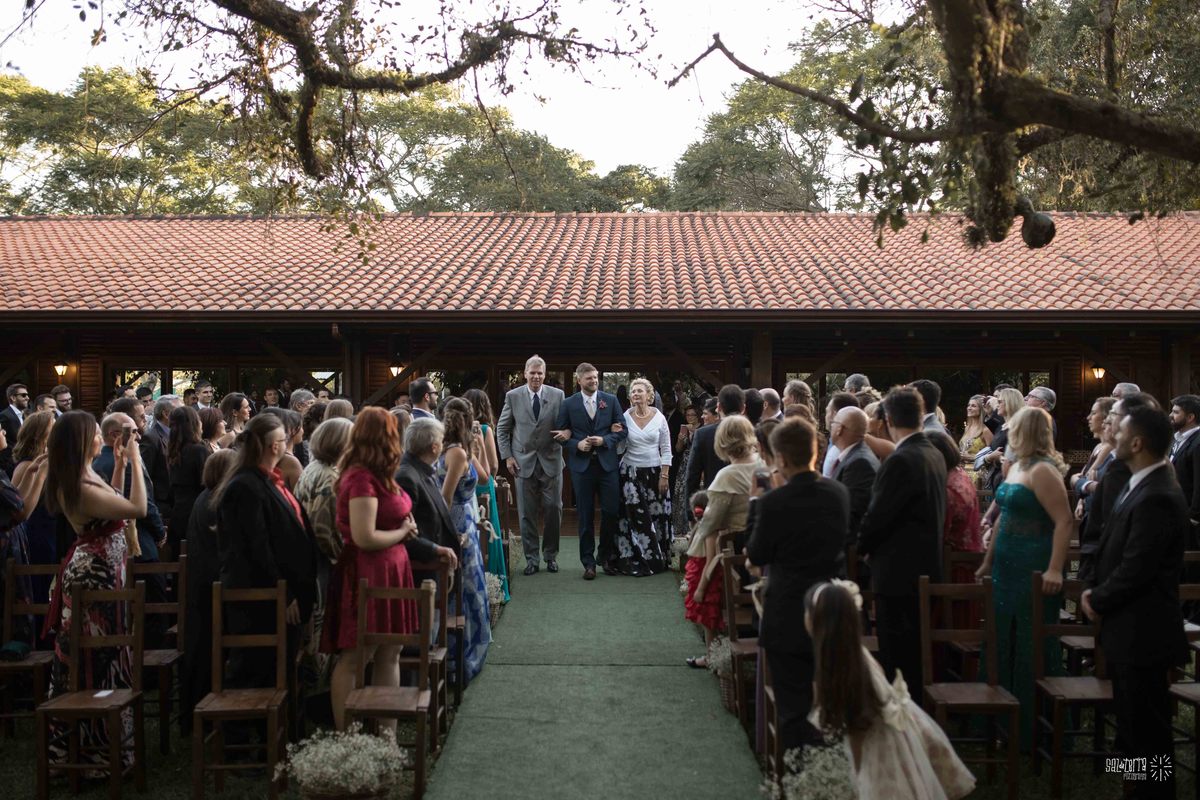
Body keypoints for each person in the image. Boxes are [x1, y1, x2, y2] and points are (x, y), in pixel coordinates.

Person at [1082, 405, 1188, 800]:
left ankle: (1154, 792)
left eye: (1121, 430)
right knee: (1130, 727)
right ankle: (1133, 786)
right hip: (1127, 630)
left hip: (1144, 631)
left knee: (1148, 732)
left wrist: (1097, 596)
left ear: (1138, 442)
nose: (1114, 434)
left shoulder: (1158, 493)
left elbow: (1138, 566)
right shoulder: (1139, 481)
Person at [805, 581, 976, 800]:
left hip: (879, 757)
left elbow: (857, 732)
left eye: (806, 611)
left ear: (818, 620)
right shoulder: (852, 655)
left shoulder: (845, 668)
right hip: (881, 742)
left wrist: (857, 781)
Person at [42, 410, 146, 770]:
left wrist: (119, 466)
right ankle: (91, 750)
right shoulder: (78, 486)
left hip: (106, 573)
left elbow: (114, 499)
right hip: (93, 576)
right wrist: (135, 460)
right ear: (82, 442)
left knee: (110, 654)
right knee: (95, 660)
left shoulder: (86, 475)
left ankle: (107, 746)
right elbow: (137, 508)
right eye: (96, 434)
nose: (104, 437)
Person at [746, 418, 848, 750]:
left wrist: (755, 504)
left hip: (788, 611)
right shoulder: (839, 493)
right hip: (832, 610)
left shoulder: (773, 503)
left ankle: (798, 778)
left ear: (782, 459)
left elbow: (758, 553)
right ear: (815, 452)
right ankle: (829, 764)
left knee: (792, 707)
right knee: (831, 697)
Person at [975, 406, 1070, 749]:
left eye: (1013, 427)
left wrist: (1056, 568)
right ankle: (997, 719)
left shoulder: (1044, 471)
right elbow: (1004, 518)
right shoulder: (1017, 466)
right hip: (1005, 563)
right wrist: (988, 562)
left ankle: (1031, 724)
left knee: (1029, 638)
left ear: (1025, 431)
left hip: (1034, 561)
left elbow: (1063, 521)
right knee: (1002, 635)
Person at [323, 408, 422, 731]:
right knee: (357, 655)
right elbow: (365, 537)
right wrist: (403, 533)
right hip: (366, 575)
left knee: (390, 651)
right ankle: (347, 735)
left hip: (392, 572)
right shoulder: (360, 478)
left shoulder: (381, 474)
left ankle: (386, 735)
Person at [213, 414, 318, 702]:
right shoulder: (245, 486)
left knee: (279, 668)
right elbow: (256, 548)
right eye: (284, 440)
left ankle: (277, 735)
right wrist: (282, 594)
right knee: (257, 672)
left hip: (286, 590)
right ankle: (251, 738)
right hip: (263, 599)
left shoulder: (270, 480)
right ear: (274, 446)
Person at [857, 387, 946, 687]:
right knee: (914, 655)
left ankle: (903, 724)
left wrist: (861, 549)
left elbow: (878, 517)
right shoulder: (933, 452)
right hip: (925, 567)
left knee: (898, 659)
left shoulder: (900, 460)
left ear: (889, 418)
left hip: (898, 573)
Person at [684, 416, 761, 666]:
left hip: (732, 547)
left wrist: (694, 541)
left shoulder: (726, 476)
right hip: (758, 543)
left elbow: (711, 521)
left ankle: (712, 655)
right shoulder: (764, 464)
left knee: (705, 585)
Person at [93, 411, 168, 643]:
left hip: (114, 547)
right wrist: (160, 531)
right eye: (133, 431)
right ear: (116, 435)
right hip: (137, 544)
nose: (139, 435)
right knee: (153, 609)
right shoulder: (121, 461)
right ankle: (152, 670)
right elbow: (142, 504)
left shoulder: (97, 462)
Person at [294, 416, 353, 693]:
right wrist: (341, 557)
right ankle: (321, 695)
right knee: (321, 631)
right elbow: (321, 528)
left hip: (311, 560)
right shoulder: (329, 477)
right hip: (321, 565)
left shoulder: (314, 467)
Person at [180, 448, 236, 734]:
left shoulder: (206, 497)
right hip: (210, 588)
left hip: (202, 585)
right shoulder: (216, 501)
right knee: (208, 652)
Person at [555, 363, 628, 579]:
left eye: (596, 378)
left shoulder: (611, 400)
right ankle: (588, 563)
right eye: (589, 378)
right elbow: (560, 435)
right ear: (579, 380)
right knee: (585, 516)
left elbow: (623, 429)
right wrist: (576, 445)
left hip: (607, 466)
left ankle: (604, 557)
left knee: (611, 512)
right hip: (581, 468)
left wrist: (604, 439)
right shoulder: (569, 404)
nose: (594, 381)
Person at [495, 355, 565, 575]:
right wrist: (507, 457)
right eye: (532, 372)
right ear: (525, 373)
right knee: (526, 513)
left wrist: (567, 433)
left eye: (540, 373)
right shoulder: (513, 396)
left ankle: (551, 556)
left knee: (554, 509)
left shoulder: (558, 395)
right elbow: (502, 429)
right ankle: (532, 559)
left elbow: (566, 423)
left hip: (551, 460)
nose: (536, 376)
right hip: (522, 463)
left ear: (545, 375)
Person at [438, 398, 492, 682]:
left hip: (468, 519)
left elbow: (484, 478)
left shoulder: (461, 450)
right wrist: (450, 533)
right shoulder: (455, 453)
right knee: (464, 590)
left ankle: (466, 653)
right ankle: (459, 658)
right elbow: (445, 498)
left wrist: (480, 447)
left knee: (471, 588)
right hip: (458, 523)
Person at [615, 378, 673, 576]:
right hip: (630, 473)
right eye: (633, 391)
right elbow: (620, 449)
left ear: (650, 395)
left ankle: (658, 559)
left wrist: (665, 475)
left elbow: (666, 448)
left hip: (656, 472)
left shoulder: (660, 417)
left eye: (640, 391)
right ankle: (634, 559)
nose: (636, 394)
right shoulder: (625, 416)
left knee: (655, 516)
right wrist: (617, 434)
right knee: (635, 518)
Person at [396, 418, 461, 589]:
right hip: (422, 573)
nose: (443, 446)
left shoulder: (421, 469)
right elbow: (404, 532)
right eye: (441, 441)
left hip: (434, 568)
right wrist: (434, 549)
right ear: (434, 447)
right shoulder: (406, 477)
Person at [464, 388, 509, 602]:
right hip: (483, 485)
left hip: (465, 484)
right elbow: (493, 466)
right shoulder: (484, 429)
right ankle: (494, 587)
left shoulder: (457, 430)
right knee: (490, 532)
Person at [929, 432, 982, 582]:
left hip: (954, 567)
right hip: (967, 558)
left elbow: (939, 532)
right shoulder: (960, 474)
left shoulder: (949, 488)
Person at [685, 384, 744, 509]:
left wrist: (693, 513)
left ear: (718, 407)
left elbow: (692, 477)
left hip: (714, 502)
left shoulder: (703, 434)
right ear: (743, 408)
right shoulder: (754, 432)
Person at [829, 406, 879, 545]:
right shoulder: (854, 456)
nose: (831, 427)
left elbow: (852, 516)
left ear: (840, 429)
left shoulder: (859, 463)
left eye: (833, 423)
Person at [1071, 397, 1116, 534]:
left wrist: (1078, 481)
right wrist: (1081, 501)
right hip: (1089, 509)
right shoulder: (1098, 447)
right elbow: (1087, 474)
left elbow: (1090, 477)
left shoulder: (1110, 448)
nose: (1089, 418)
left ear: (1106, 418)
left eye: (1094, 413)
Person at [167, 404, 208, 552]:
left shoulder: (173, 451)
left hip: (178, 516)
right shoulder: (198, 451)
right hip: (195, 516)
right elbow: (206, 483)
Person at [141, 395, 180, 523]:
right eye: (179, 411)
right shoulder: (151, 438)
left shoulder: (177, 434)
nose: (183, 414)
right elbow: (145, 475)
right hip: (161, 505)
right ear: (166, 414)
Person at [978, 387, 1025, 492]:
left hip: (1010, 480)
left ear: (1010, 403)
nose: (996, 404)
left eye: (999, 401)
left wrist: (998, 458)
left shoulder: (1018, 427)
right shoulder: (1002, 426)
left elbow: (1015, 456)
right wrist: (990, 413)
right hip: (997, 478)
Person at [1169, 394, 1200, 542]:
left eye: (1176, 412)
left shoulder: (1198, 443)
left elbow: (1198, 482)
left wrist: (1193, 516)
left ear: (1190, 417)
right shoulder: (1177, 439)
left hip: (1191, 521)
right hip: (1175, 514)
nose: (1171, 415)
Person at [671, 403, 702, 539]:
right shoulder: (684, 428)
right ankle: (680, 527)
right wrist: (680, 440)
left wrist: (693, 433)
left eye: (692, 415)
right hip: (685, 461)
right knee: (680, 492)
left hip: (697, 460)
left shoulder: (702, 429)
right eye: (687, 415)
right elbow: (678, 449)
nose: (689, 417)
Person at [822, 391, 861, 478]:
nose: (825, 416)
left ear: (834, 415)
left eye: (827, 411)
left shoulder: (843, 452)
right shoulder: (835, 443)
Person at [959, 395, 993, 485]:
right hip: (962, 472)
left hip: (978, 475)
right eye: (969, 405)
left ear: (981, 409)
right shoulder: (967, 428)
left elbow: (993, 455)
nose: (969, 408)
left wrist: (973, 457)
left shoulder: (986, 430)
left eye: (973, 406)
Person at [0, 383, 30, 476]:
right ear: (13, 398)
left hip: (21, 464)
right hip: (10, 467)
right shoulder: (4, 415)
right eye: (23, 395)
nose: (27, 398)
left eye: (27, 395)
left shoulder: (24, 416)